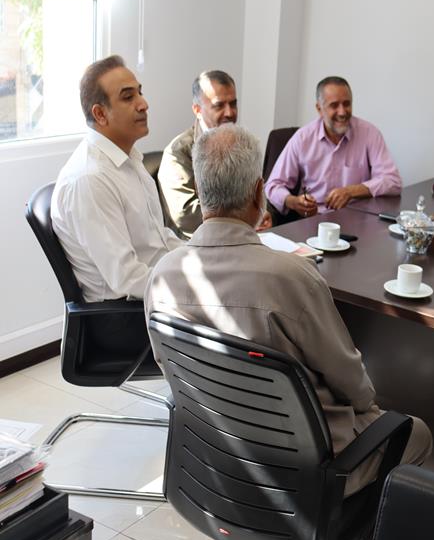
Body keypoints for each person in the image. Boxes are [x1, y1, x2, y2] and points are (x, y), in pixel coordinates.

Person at [145, 124, 432, 496]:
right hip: (305, 468)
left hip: (214, 454)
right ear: (258, 193)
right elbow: (351, 383)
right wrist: (368, 411)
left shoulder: (161, 277)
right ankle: (354, 526)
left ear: (199, 191)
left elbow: (172, 370)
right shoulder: (293, 278)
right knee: (417, 433)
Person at [51, 55, 183, 351]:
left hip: (146, 299)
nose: (143, 104)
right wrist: (189, 287)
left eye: (140, 92)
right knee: (233, 313)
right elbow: (127, 278)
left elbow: (159, 240)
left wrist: (200, 258)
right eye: (128, 97)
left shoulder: (129, 160)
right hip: (122, 318)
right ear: (100, 114)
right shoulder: (90, 179)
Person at [264, 76, 402, 221]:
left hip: (357, 219)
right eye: (334, 105)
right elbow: (273, 185)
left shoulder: (369, 133)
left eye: (347, 104)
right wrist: (293, 202)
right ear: (319, 108)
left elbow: (392, 181)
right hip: (314, 221)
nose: (342, 112)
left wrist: (351, 191)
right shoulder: (303, 138)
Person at [158, 70, 272, 237]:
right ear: (197, 109)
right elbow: (186, 216)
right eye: (219, 106)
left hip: (242, 238)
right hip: (197, 245)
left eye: (233, 104)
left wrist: (261, 213)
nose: (230, 113)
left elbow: (256, 191)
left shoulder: (241, 143)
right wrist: (245, 219)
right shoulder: (176, 153)